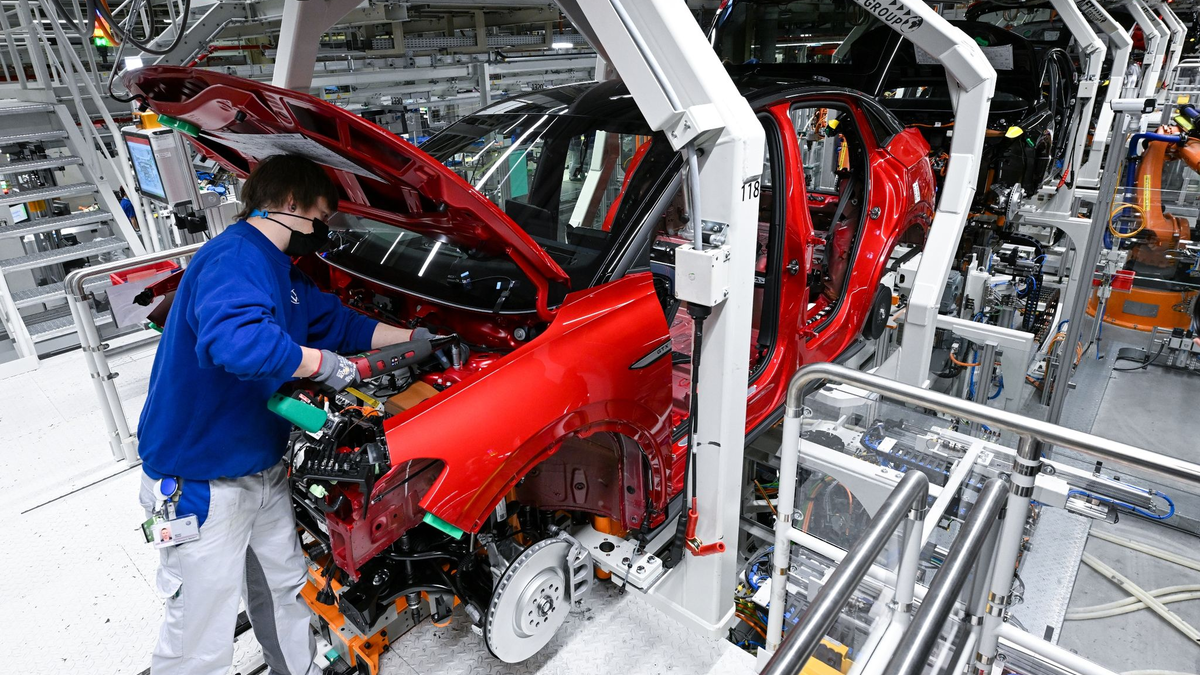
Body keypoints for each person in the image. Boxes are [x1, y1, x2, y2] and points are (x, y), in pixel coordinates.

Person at [136, 154, 414, 675]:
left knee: (284, 590)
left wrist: (416, 342)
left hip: (260, 469)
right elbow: (239, 343)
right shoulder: (235, 257)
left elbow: (340, 323)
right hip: (199, 480)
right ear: (291, 205)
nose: (322, 232)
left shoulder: (282, 272)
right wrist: (320, 365)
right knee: (200, 622)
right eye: (322, 220)